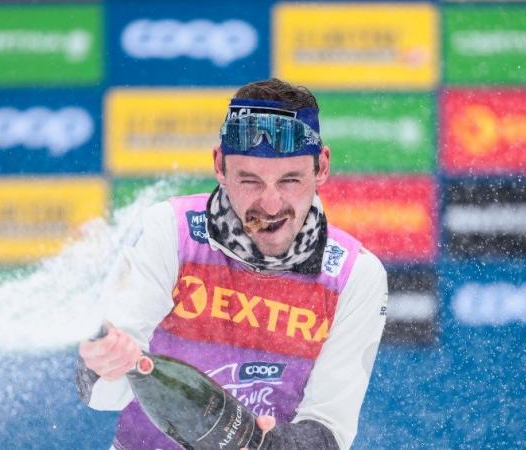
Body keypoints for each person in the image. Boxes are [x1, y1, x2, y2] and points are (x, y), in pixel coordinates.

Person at [76, 78, 388, 450]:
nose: (271, 205)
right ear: (219, 167)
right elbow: (102, 394)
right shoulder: (172, 232)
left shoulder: (355, 275)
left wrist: (263, 445)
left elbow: (329, 429)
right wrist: (102, 364)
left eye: (290, 180)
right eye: (249, 180)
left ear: (321, 167)